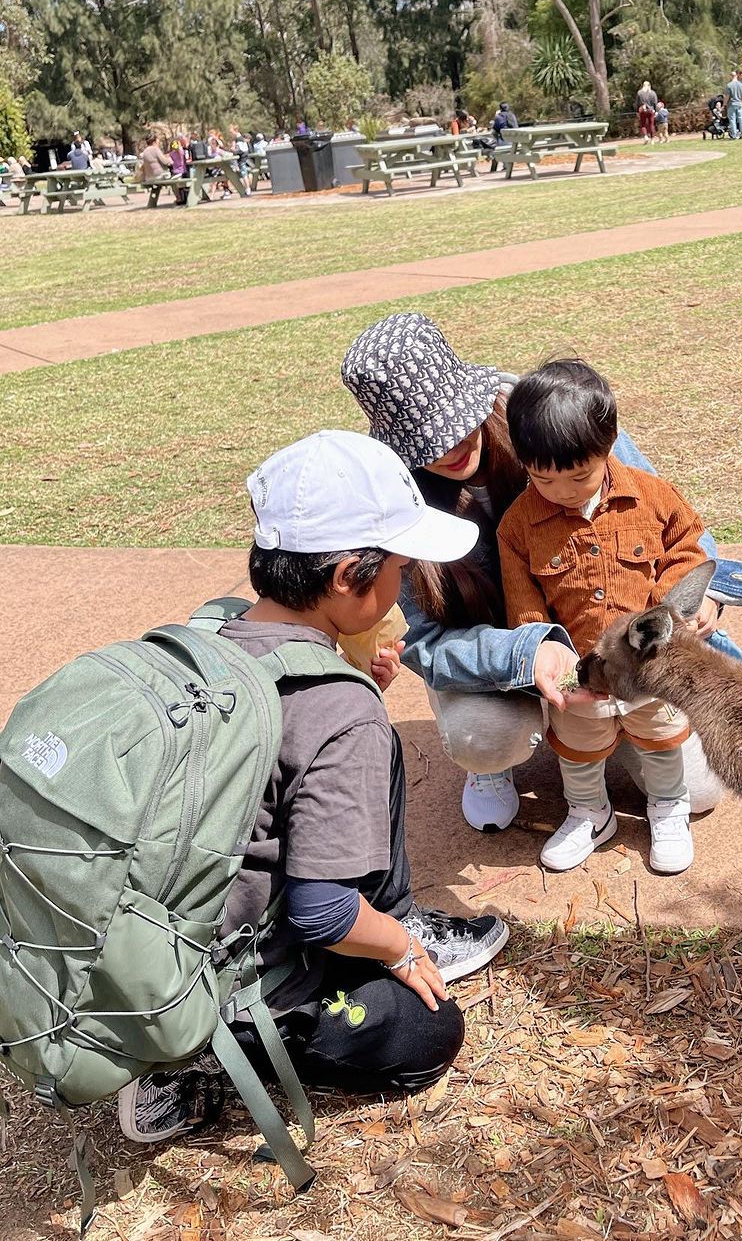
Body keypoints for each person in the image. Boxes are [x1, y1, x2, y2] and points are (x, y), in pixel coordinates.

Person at [118, 430, 509, 1144]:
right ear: (347, 576)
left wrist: (355, 685)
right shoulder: (339, 708)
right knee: (427, 1031)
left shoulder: (213, 636)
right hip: (240, 973)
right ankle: (211, 1050)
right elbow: (323, 913)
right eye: (399, 564)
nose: (407, 581)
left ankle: (163, 1037)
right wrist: (397, 947)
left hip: (147, 943)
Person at [340, 312, 742, 836]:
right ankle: (505, 763)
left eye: (456, 423)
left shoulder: (546, 412)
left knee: (699, 792)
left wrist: (704, 596)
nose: (450, 448)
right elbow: (423, 641)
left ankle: (617, 730)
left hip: (610, 639)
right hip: (496, 652)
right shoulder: (396, 501)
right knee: (485, 736)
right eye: (428, 440)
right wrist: (524, 653)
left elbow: (664, 513)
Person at [499, 361, 706, 874]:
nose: (564, 491)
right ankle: (589, 813)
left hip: (647, 667)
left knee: (662, 737)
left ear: (609, 442)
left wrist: (664, 615)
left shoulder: (654, 496)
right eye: (544, 478)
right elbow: (524, 603)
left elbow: (688, 549)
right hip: (580, 670)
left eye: (578, 475)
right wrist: (547, 652)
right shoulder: (519, 523)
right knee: (577, 747)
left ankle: (668, 806)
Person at [724, 70, 742, 140]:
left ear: (731, 76)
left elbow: (727, 96)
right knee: (741, 118)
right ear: (736, 76)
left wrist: (724, 104)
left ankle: (734, 135)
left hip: (732, 104)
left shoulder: (729, 85)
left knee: (732, 119)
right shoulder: (741, 85)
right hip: (739, 103)